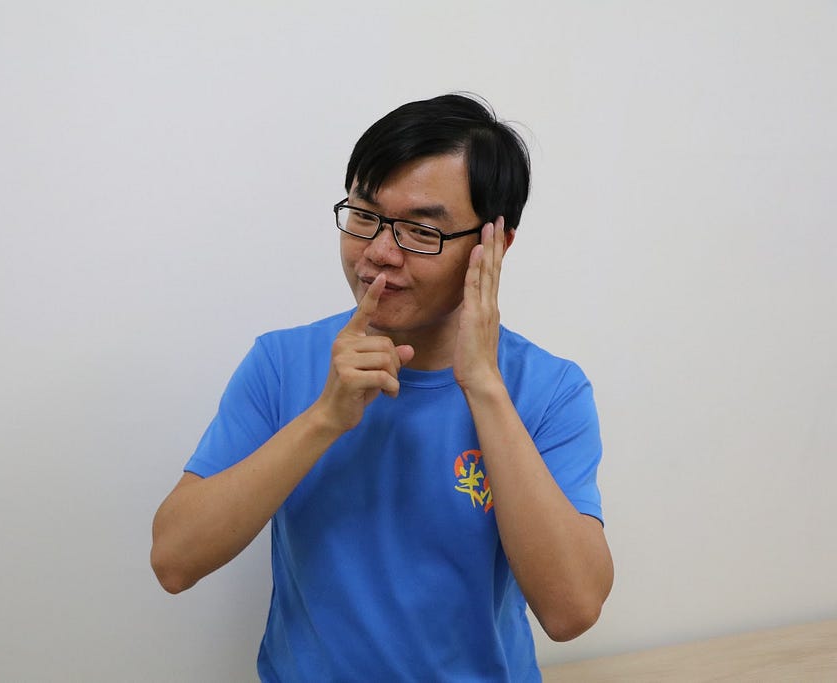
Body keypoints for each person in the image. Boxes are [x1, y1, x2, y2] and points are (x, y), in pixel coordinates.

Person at [151, 93, 613, 681]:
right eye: (364, 216)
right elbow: (174, 561)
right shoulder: (281, 362)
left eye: (421, 230)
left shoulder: (548, 389)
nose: (378, 253)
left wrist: (483, 385)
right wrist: (324, 418)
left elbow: (572, 610)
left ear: (494, 245)